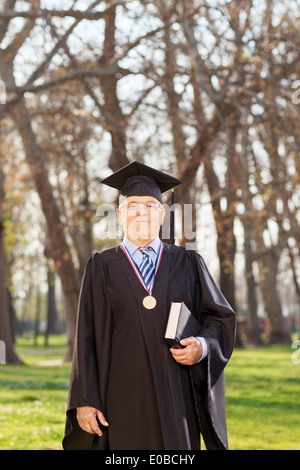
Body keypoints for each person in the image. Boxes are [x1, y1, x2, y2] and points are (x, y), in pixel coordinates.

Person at [63, 161, 236, 450]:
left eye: (150, 206)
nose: (141, 213)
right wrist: (85, 401)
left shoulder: (188, 263)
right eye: (132, 207)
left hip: (177, 397)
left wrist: (202, 347)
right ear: (120, 215)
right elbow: (86, 339)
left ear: (162, 215)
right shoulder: (100, 267)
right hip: (117, 400)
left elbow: (219, 320)